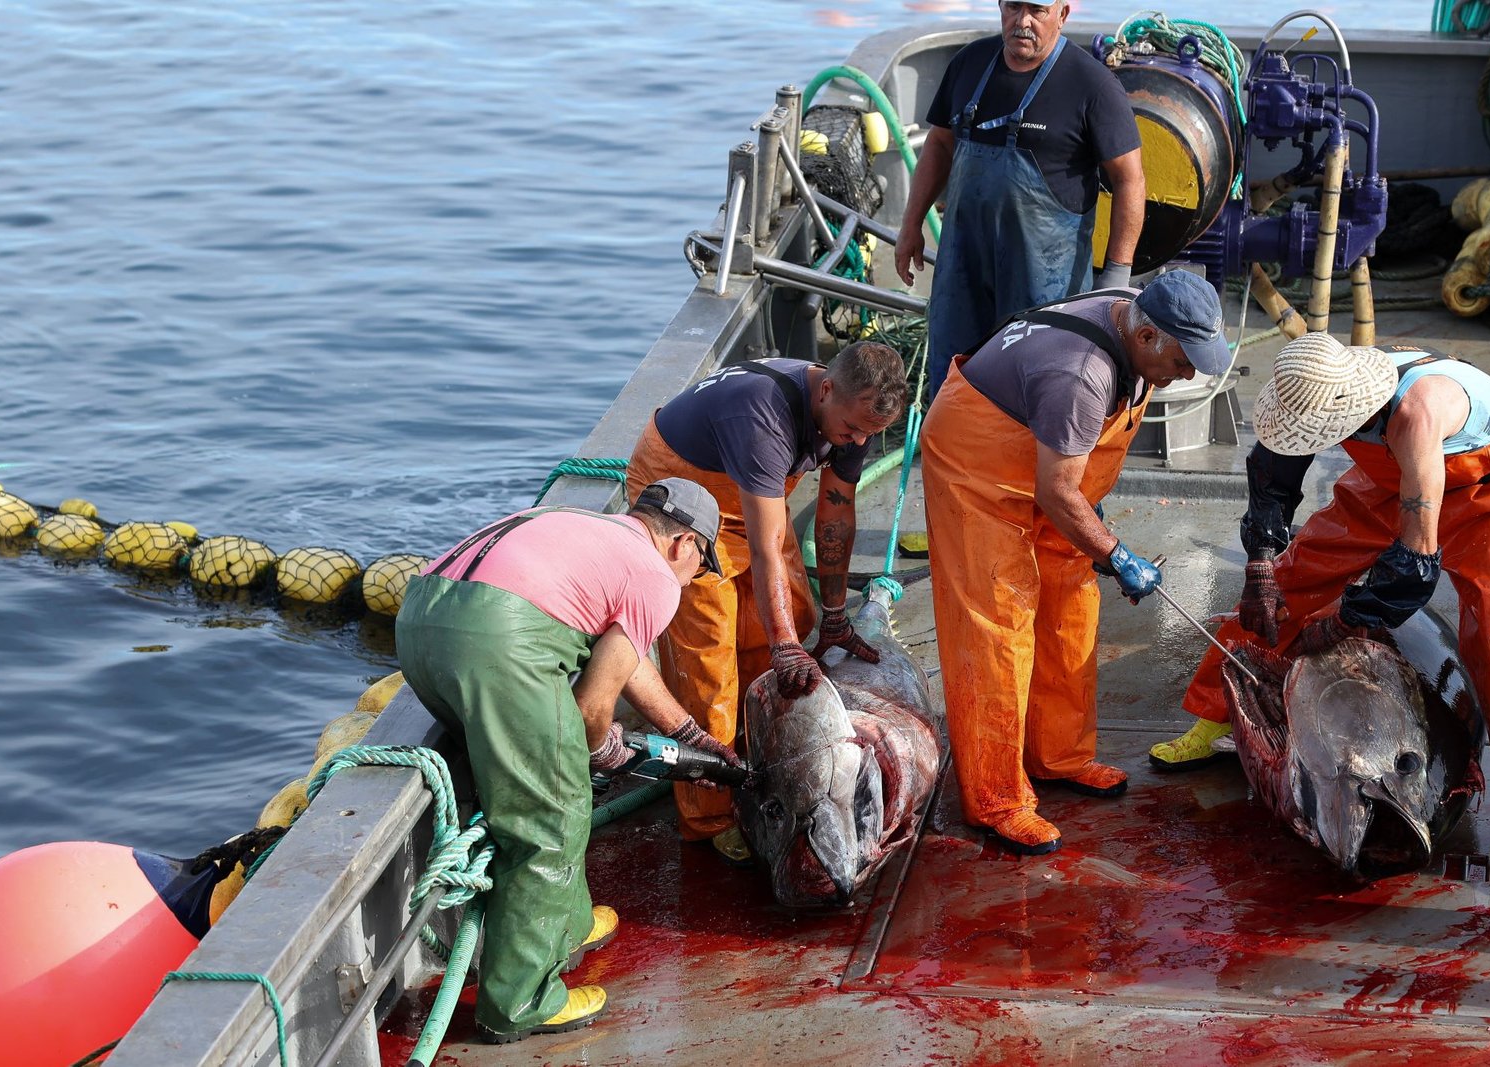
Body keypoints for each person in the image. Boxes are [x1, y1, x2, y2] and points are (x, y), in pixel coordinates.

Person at [1149, 333, 1490, 874]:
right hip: (1386, 484)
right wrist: (1262, 561)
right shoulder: (1308, 384)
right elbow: (1274, 477)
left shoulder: (1418, 413)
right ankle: (1213, 718)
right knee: (1285, 587)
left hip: (1486, 494)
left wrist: (1345, 621)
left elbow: (1413, 566)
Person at [394, 479, 737, 1043]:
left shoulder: (593, 531)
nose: (694, 579)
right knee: (549, 814)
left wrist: (687, 732)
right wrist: (604, 751)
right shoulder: (655, 576)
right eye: (701, 568)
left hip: (422, 623)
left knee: (546, 780)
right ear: (686, 545)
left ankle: (567, 926)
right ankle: (520, 1003)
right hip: (497, 641)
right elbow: (593, 706)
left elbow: (625, 662)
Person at [922, 269, 1232, 854]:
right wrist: (1116, 553)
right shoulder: (1081, 375)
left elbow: (1062, 486)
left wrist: (1098, 552)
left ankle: (1057, 755)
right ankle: (996, 798)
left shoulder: (1137, 320)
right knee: (998, 621)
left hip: (1045, 461)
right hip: (977, 465)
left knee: (1070, 603)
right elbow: (1059, 492)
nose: (1189, 373)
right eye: (1184, 360)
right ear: (1145, 340)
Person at [624, 341, 909, 862]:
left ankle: (755, 761)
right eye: (850, 432)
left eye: (869, 435)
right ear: (825, 390)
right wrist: (785, 646)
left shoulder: (853, 414)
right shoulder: (763, 417)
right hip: (683, 503)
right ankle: (707, 817)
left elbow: (835, 515)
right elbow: (762, 548)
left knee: (791, 619)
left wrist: (835, 614)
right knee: (708, 660)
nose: (858, 442)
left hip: (751, 498)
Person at [894, 0, 1146, 398]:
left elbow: (1129, 180)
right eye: (1013, 6)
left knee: (1041, 383)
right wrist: (910, 224)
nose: (1022, 21)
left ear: (1062, 14)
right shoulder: (969, 64)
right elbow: (940, 145)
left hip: (1047, 282)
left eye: (1037, 10)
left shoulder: (1092, 85)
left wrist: (1116, 276)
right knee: (952, 380)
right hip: (963, 270)